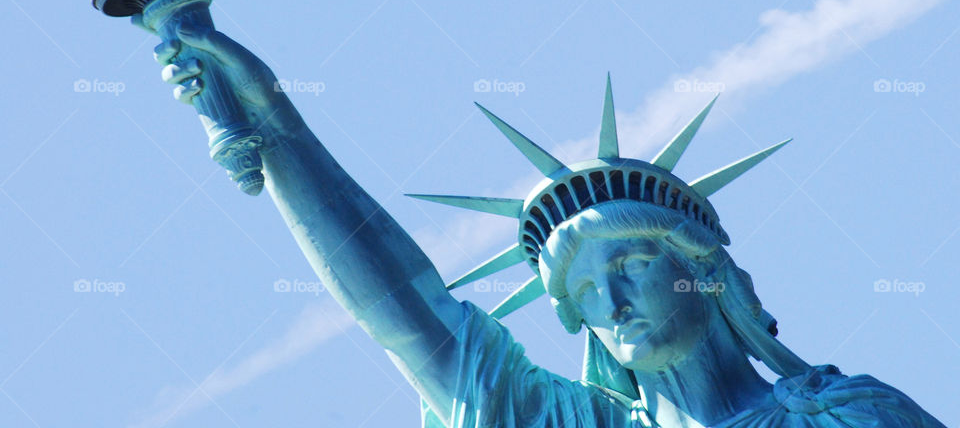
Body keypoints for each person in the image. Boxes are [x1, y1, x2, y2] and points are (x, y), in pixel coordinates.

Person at [152, 21, 946, 428]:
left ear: (704, 274)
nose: (612, 302)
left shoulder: (848, 417)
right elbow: (409, 322)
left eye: (629, 265)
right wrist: (277, 129)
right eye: (585, 291)